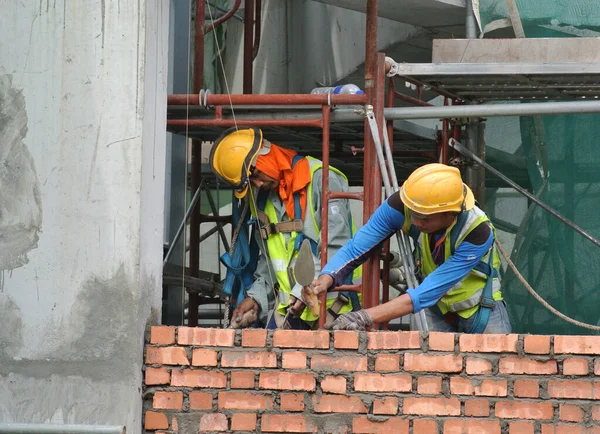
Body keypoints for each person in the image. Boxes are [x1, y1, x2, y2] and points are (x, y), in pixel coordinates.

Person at [305, 163, 512, 334]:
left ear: (451, 214)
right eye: (413, 213)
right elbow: (356, 249)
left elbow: (427, 291)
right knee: (431, 376)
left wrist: (364, 316)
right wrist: (325, 279)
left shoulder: (477, 232)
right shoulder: (401, 204)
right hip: (436, 309)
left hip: (479, 307)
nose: (414, 220)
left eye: (423, 217)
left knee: (497, 369)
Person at [209, 127, 361, 329]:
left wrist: (301, 291)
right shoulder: (262, 199)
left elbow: (337, 248)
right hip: (291, 311)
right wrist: (256, 300)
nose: (259, 183)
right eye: (251, 182)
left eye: (255, 174)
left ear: (264, 153)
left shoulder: (321, 179)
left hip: (336, 308)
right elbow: (269, 262)